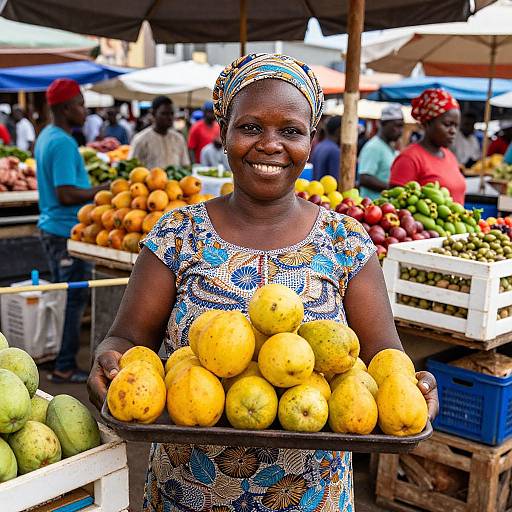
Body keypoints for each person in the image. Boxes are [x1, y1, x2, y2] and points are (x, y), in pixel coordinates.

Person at [87, 53, 438, 511]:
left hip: (313, 495)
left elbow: (383, 359)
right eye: (251, 127)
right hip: (187, 490)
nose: (270, 144)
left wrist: (416, 386)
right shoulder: (177, 234)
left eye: (290, 131)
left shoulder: (346, 240)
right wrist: (108, 361)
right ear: (224, 133)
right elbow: (126, 337)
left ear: (311, 141)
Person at [36, 78, 109, 383]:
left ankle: (62, 360)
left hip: (54, 229)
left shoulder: (46, 136)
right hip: (66, 233)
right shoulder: (62, 142)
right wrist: (104, 190)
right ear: (66, 108)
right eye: (80, 103)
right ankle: (65, 364)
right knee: (73, 300)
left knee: (70, 298)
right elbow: (66, 193)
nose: (84, 109)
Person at [390, 88, 466, 204]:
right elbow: (394, 205)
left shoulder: (450, 156)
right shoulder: (409, 158)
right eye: (447, 124)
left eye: (456, 126)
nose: (453, 131)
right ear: (427, 123)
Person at [130, 96, 189, 170]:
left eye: (171, 113)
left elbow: (185, 165)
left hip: (176, 181)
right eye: (165, 114)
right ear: (153, 114)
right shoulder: (141, 140)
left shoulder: (179, 139)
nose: (170, 117)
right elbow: (132, 168)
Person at [359, 104, 404, 199]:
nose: (401, 131)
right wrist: (393, 189)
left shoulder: (390, 147)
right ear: (383, 124)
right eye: (397, 126)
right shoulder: (373, 147)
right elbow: (365, 178)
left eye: (402, 126)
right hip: (372, 208)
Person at [310, 115, 341, 180]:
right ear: (339, 130)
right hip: (327, 189)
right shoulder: (334, 150)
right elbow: (335, 180)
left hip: (316, 188)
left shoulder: (319, 146)